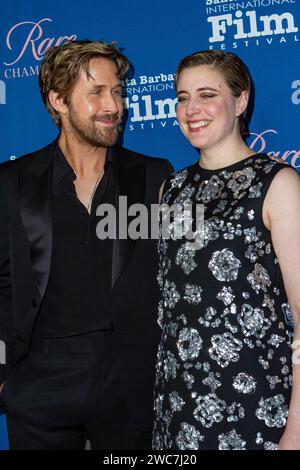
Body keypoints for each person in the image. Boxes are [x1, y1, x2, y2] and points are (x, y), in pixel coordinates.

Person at [0, 39, 173, 450]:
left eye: (117, 91)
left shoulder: (151, 175)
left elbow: (175, 271)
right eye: (96, 92)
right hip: (40, 379)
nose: (114, 105)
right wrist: (7, 380)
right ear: (58, 100)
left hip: (128, 380)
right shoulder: (14, 183)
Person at [152, 50, 300, 450]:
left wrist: (297, 430)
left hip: (254, 404)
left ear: (240, 100)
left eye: (206, 94)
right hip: (177, 407)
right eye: (182, 97)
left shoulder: (278, 185)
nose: (191, 109)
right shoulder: (172, 189)